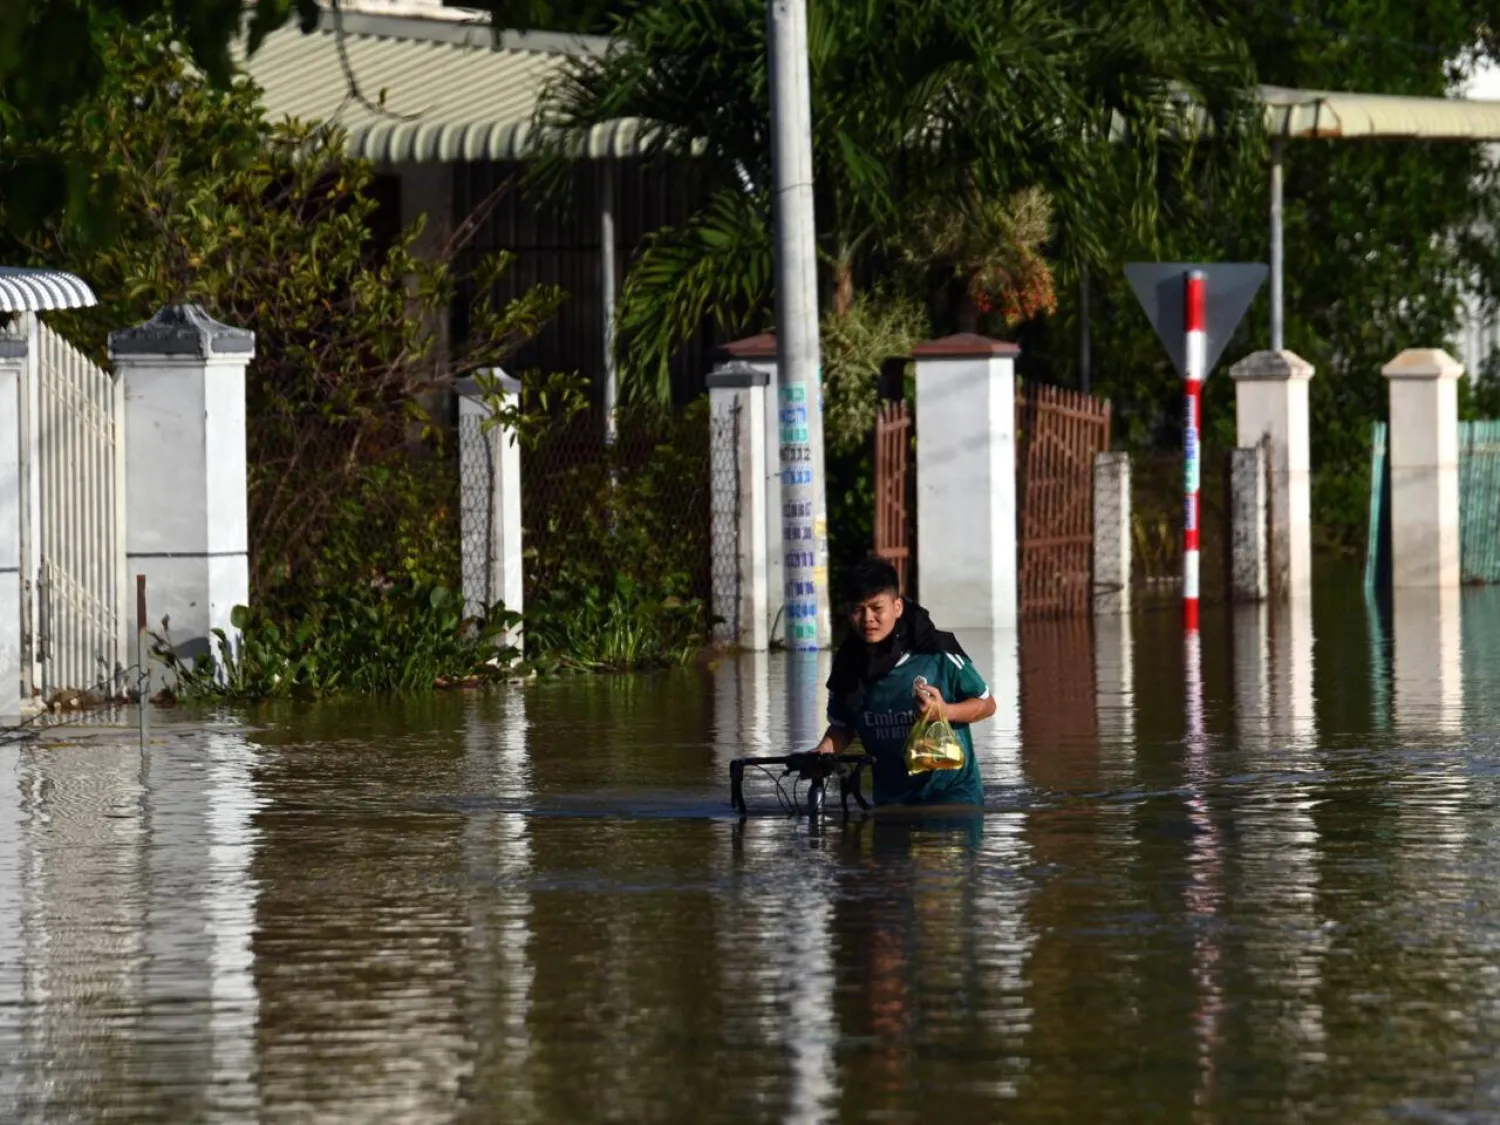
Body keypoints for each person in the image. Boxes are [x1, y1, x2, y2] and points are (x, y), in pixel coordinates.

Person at [810, 556, 996, 807]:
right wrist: (822, 753)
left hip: (953, 797)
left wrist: (945, 711)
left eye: (877, 608)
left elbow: (986, 704)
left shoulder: (937, 653)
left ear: (897, 607)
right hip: (890, 801)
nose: (867, 619)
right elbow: (843, 727)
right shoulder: (847, 666)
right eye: (857, 609)